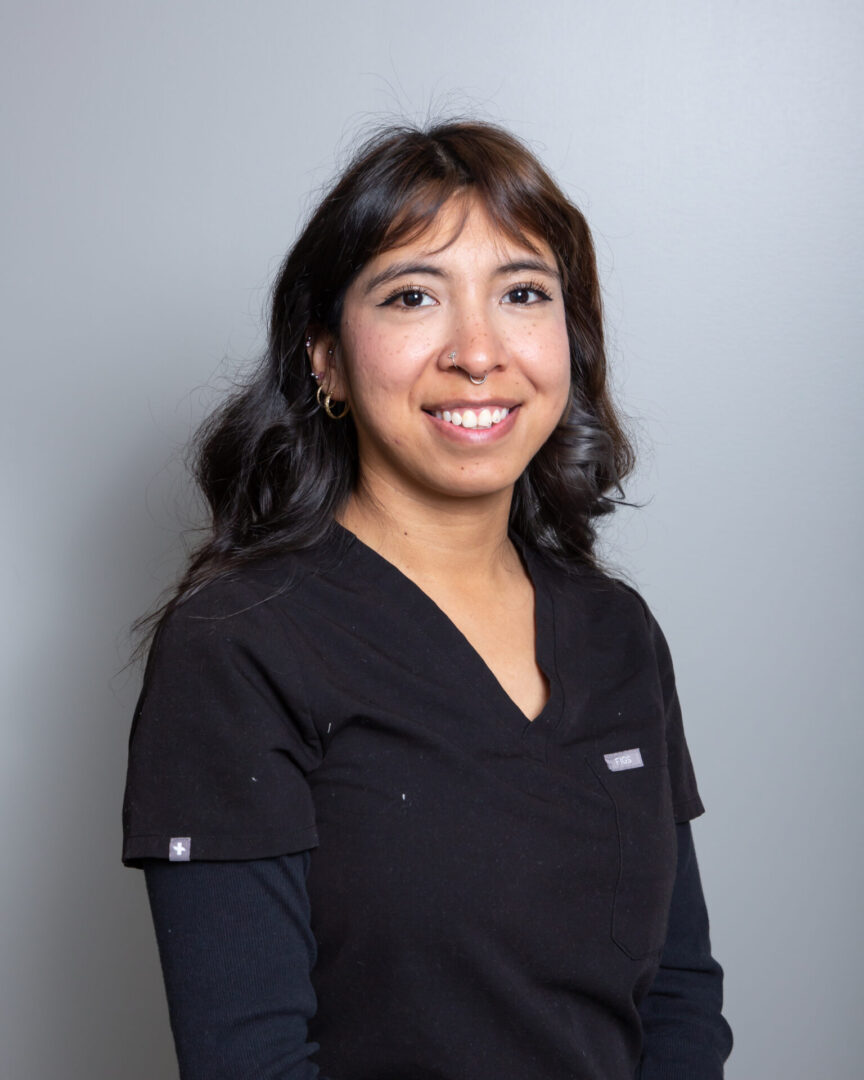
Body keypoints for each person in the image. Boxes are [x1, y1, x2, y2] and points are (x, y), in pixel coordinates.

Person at [122, 119, 733, 1080]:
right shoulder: (239, 645)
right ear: (323, 355)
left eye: (523, 293)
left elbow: (680, 996)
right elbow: (250, 1061)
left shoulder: (617, 633)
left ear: (568, 337)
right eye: (414, 296)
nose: (478, 351)